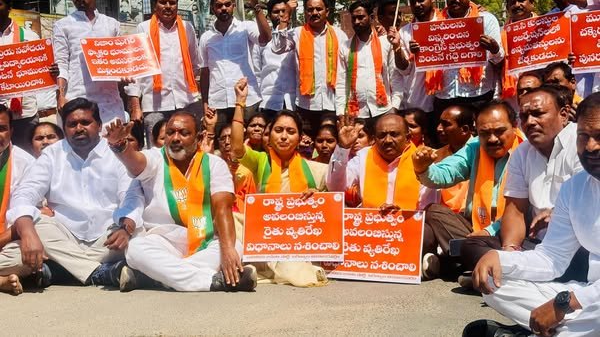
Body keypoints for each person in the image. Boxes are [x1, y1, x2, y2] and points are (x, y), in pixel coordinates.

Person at [468, 93, 600, 337]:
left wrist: (564, 303)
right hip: (589, 294)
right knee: (494, 283)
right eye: (584, 137)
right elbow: (552, 257)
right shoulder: (575, 187)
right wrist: (500, 258)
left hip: (589, 302)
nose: (591, 147)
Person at [1, 98, 144, 295]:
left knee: (140, 237)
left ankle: (56, 271)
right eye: (72, 124)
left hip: (108, 236)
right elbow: (25, 194)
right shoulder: (52, 154)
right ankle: (100, 273)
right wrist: (28, 234)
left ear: (99, 125)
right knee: (36, 223)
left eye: (85, 122)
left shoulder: (116, 153)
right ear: (64, 127)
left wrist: (126, 228)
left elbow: (131, 196)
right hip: (63, 236)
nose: (78, 128)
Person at [104, 110, 256, 292]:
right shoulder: (156, 158)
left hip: (205, 240)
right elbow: (136, 162)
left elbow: (222, 208)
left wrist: (228, 250)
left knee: (235, 246)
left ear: (199, 137)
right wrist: (121, 146)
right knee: (136, 248)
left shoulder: (215, 164)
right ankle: (212, 281)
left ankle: (152, 278)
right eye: (170, 133)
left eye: (184, 133)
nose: (175, 138)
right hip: (163, 241)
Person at [460, 86, 586, 287]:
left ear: (563, 114)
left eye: (538, 114)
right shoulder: (521, 153)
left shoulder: (582, 143)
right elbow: (515, 210)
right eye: (524, 116)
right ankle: (511, 278)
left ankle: (502, 281)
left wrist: (558, 213)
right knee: (472, 246)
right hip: (538, 246)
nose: (530, 122)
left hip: (577, 245)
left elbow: (590, 201)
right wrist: (510, 255)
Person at [231, 78, 329, 287]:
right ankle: (258, 266)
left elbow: (331, 208)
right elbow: (237, 146)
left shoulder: (316, 170)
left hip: (296, 237)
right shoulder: (260, 161)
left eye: (291, 132)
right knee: (233, 219)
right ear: (269, 134)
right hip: (265, 233)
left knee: (295, 272)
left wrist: (317, 196)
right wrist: (240, 103)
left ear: (300, 137)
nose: (284, 136)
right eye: (278, 130)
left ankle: (261, 269)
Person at [412, 100, 523, 280]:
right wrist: (423, 168)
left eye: (500, 131)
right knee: (435, 211)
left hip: (511, 234)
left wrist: (490, 231)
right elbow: (446, 173)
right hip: (473, 230)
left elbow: (524, 211)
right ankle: (477, 265)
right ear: (476, 132)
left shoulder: (526, 151)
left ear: (515, 126)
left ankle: (458, 264)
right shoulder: (474, 148)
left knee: (476, 244)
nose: (493, 139)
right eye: (485, 133)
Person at [394, 0, 505, 118]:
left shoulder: (486, 20)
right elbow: (422, 60)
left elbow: (499, 61)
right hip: (445, 98)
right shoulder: (434, 24)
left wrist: (494, 49)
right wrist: (417, 52)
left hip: (479, 96)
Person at [125, 0, 202, 148]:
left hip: (185, 101)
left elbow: (195, 64)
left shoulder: (187, 27)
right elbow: (135, 69)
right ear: (155, 5)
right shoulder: (143, 28)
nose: (168, 7)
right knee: (157, 151)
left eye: (172, 2)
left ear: (177, 5)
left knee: (187, 149)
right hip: (154, 104)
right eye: (163, 2)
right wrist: (135, 106)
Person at [271, 0, 348, 137]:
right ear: (305, 13)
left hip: (332, 104)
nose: (314, 13)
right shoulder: (297, 33)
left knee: (328, 147)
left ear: (327, 11)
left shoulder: (339, 35)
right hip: (305, 105)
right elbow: (277, 47)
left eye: (318, 9)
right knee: (306, 147)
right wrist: (285, 17)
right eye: (310, 10)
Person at [327, 112, 431, 211]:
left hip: (409, 224)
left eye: (394, 134)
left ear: (408, 138)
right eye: (382, 135)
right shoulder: (363, 157)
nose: (388, 140)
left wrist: (400, 214)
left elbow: (428, 206)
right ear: (374, 139)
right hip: (370, 225)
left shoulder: (422, 160)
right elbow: (335, 188)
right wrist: (343, 148)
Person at [199, 0, 271, 133]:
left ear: (233, 6)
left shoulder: (246, 28)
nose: (224, 8)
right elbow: (205, 72)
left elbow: (266, 38)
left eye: (227, 4)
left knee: (249, 145)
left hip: (247, 101)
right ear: (213, 8)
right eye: (219, 5)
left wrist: (257, 7)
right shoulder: (206, 38)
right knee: (220, 146)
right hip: (218, 103)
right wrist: (205, 103)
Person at [53, 0, 125, 124]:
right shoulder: (62, 25)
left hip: (110, 102)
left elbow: (121, 59)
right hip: (77, 100)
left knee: (114, 142)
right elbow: (61, 63)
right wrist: (61, 96)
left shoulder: (112, 24)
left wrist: (125, 74)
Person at [0, 0, 57, 151]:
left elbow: (42, 69)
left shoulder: (30, 37)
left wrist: (52, 71)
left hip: (25, 114)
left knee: (27, 160)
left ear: (9, 7)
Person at [335, 0, 401, 125]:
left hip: (384, 110)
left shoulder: (385, 43)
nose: (356, 22)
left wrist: (395, 107)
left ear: (371, 18)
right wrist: (340, 112)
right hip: (357, 113)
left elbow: (395, 77)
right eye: (353, 18)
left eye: (361, 17)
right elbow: (341, 83)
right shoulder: (345, 47)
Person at [0, 107, 35, 295]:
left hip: (8, 241)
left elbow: (31, 214)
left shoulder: (26, 163)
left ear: (11, 131)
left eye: (1, 128)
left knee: (26, 257)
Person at [256, 0, 298, 119]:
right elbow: (257, 70)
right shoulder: (262, 40)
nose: (280, 14)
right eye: (276, 12)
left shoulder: (296, 35)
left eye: (284, 11)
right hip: (269, 101)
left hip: (292, 101)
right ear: (269, 16)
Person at [433, 105, 474, 214]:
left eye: (446, 124)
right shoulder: (436, 155)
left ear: (464, 129)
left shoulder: (482, 153)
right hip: (443, 218)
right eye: (440, 123)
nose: (439, 128)